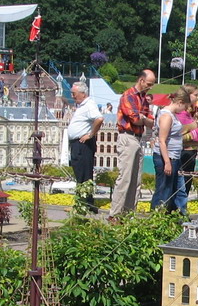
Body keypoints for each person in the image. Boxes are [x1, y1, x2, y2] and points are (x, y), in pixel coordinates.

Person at [109, 69, 156, 219]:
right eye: (149, 84)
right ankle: (115, 214)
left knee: (136, 180)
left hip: (137, 138)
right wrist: (143, 118)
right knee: (125, 178)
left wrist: (143, 118)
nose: (150, 87)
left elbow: (151, 121)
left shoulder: (143, 98)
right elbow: (135, 119)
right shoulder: (128, 95)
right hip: (127, 137)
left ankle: (129, 214)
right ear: (141, 80)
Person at [151, 88, 198, 214]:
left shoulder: (172, 115)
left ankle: (175, 213)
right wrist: (167, 162)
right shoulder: (166, 116)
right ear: (179, 102)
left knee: (175, 188)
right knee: (164, 189)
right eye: (184, 106)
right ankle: (157, 215)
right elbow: (162, 140)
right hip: (167, 157)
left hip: (174, 156)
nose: (184, 110)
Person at [66, 80, 103, 212]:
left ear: (83, 93)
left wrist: (91, 134)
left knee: (84, 175)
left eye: (74, 93)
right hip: (78, 144)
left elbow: (99, 118)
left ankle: (85, 204)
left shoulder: (89, 105)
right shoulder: (82, 105)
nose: (72, 96)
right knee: (80, 174)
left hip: (83, 144)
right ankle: (83, 203)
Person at [176, 85, 198, 210]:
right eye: (196, 95)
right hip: (185, 153)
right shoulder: (182, 115)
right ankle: (179, 212)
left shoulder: (189, 115)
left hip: (191, 152)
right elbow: (178, 137)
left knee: (186, 185)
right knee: (182, 186)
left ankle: (181, 210)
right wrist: (197, 131)